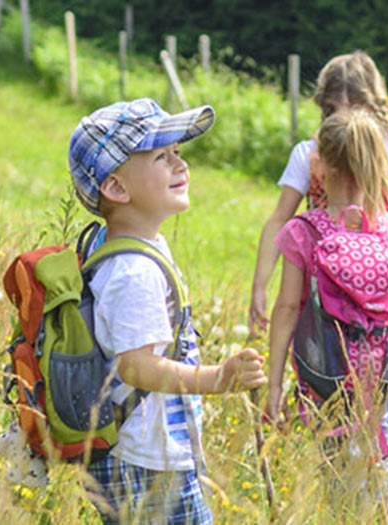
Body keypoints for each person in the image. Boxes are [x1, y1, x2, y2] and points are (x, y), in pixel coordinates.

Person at [67, 98, 268, 524]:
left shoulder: (138, 246)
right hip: (145, 461)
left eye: (177, 151)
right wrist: (218, 378)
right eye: (162, 156)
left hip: (147, 453)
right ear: (117, 188)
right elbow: (136, 366)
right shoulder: (133, 270)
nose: (181, 164)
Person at [263, 109, 388, 521]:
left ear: (321, 166)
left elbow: (286, 309)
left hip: (325, 379)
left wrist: (275, 384)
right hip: (384, 378)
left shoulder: (305, 232)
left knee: (338, 478)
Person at [248, 51, 388, 335]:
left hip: (331, 292)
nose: (346, 119)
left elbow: (280, 219)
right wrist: (260, 283)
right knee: (382, 359)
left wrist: (261, 283)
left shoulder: (313, 152)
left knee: (327, 359)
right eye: (337, 110)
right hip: (370, 295)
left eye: (354, 110)